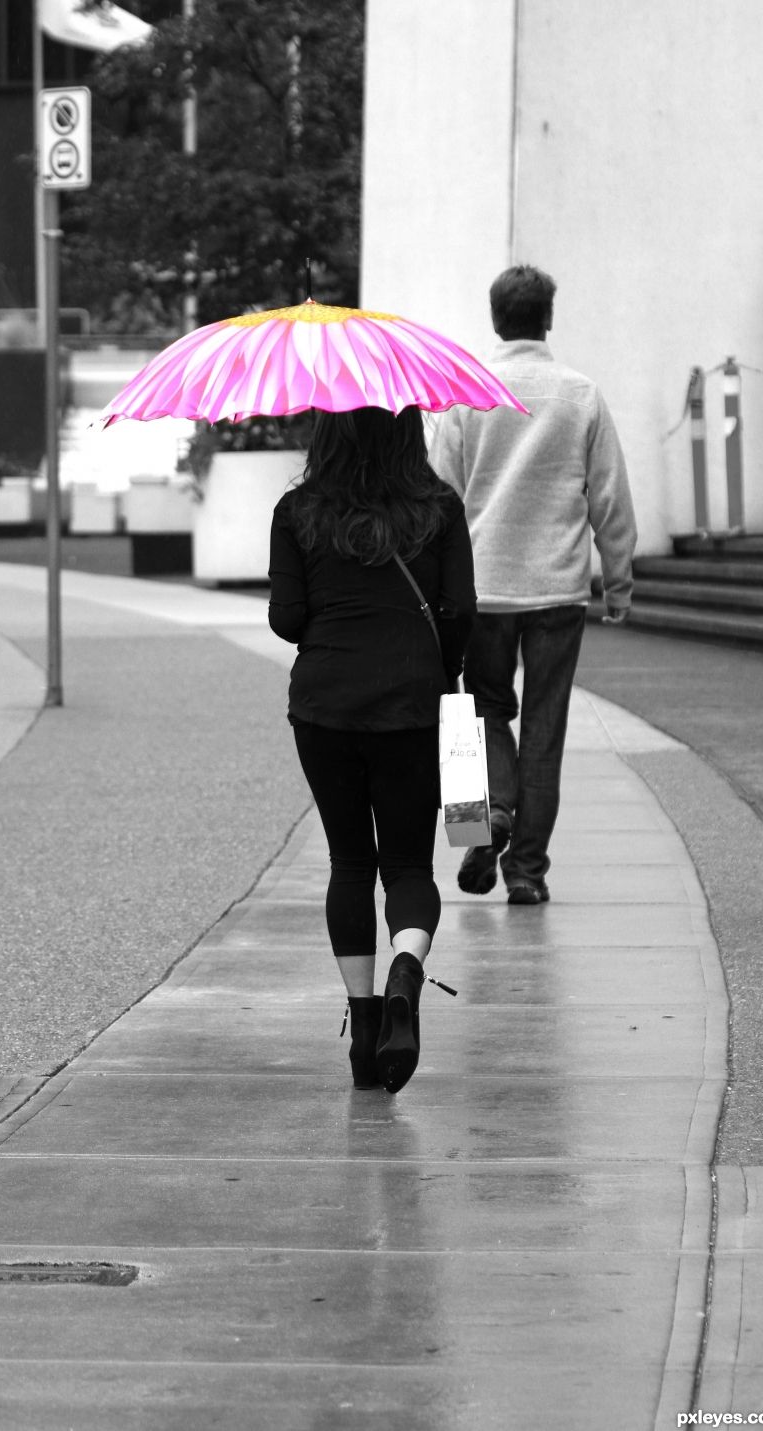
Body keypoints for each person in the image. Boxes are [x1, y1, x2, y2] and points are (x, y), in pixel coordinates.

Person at [268, 406, 475, 1093]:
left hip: (324, 705)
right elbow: (461, 612)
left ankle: (363, 1034)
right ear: (408, 429)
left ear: (327, 431)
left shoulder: (298, 511)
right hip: (413, 705)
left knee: (350, 861)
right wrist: (434, 663)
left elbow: (286, 619)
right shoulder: (439, 508)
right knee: (410, 863)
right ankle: (406, 973)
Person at [430, 264, 637, 905]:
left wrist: (436, 585)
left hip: (480, 587)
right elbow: (608, 496)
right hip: (557, 590)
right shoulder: (580, 394)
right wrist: (619, 580)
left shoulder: (466, 394)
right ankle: (526, 873)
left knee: (470, 713)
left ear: (496, 319)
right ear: (547, 318)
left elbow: (439, 499)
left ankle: (478, 829)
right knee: (545, 729)